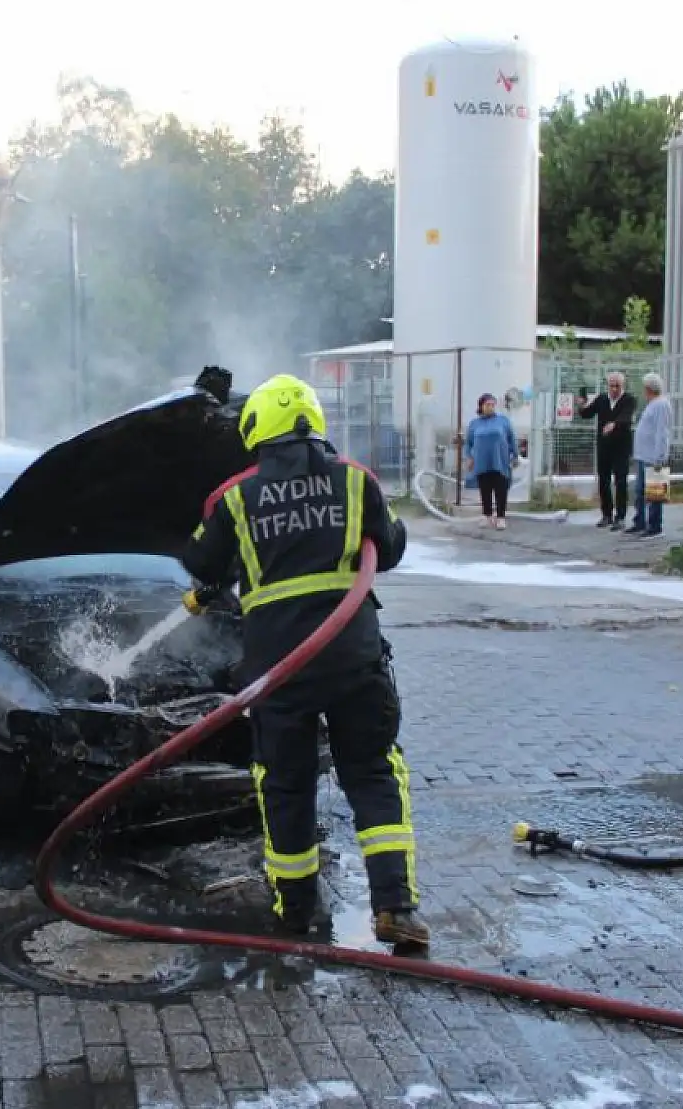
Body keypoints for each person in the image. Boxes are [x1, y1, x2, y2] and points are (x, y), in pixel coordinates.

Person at [181, 374, 428, 950]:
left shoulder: (235, 498)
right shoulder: (356, 481)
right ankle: (394, 908)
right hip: (354, 662)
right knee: (372, 775)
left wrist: (223, 568)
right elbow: (385, 550)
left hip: (279, 672)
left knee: (286, 786)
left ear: (257, 431)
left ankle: (295, 912)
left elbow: (199, 559)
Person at [575, 372, 636, 529]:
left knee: (621, 481)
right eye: (612, 385)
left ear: (623, 386)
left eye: (617, 385)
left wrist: (614, 424)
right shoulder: (602, 399)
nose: (614, 389)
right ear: (607, 385)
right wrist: (581, 405)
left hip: (621, 447)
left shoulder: (629, 399)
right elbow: (587, 414)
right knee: (604, 480)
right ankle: (606, 514)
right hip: (604, 446)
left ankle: (620, 516)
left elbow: (626, 416)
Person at [625, 373, 675, 539]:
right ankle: (640, 521)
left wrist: (660, 456)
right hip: (643, 455)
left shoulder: (661, 405)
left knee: (655, 492)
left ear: (648, 389)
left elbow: (662, 432)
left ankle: (654, 525)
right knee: (640, 491)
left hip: (654, 456)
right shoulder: (652, 404)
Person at [464, 393, 517, 530]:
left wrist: (515, 456)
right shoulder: (474, 424)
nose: (491, 407)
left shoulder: (503, 421)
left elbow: (512, 438)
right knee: (485, 488)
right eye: (488, 405)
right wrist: (469, 457)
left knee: (501, 489)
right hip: (482, 462)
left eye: (493, 405)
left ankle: (500, 517)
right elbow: (468, 443)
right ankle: (487, 515)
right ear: (481, 406)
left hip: (500, 460)